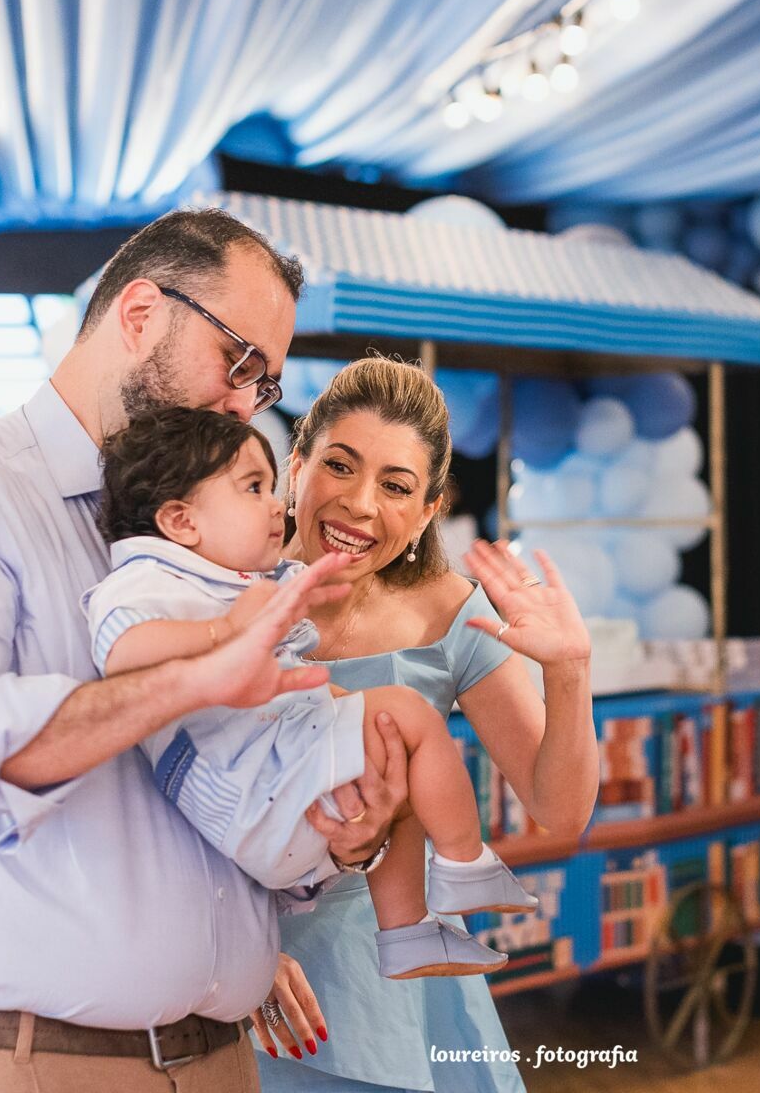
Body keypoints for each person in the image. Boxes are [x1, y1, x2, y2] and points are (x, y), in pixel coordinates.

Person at [0, 208, 406, 1093]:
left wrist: (339, 841)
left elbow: (214, 805)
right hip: (29, 1063)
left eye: (263, 387)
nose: (242, 403)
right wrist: (188, 676)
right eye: (240, 364)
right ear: (140, 313)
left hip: (219, 1057)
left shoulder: (214, 536)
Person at [84, 405, 537, 980]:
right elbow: (121, 650)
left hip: (266, 799)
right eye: (253, 488)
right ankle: (465, 863)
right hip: (243, 796)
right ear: (180, 520)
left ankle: (409, 931)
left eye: (272, 487)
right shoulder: (146, 580)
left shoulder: (228, 577)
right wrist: (227, 632)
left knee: (390, 745)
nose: (276, 505)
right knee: (403, 715)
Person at [251, 358, 600, 1091]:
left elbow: (559, 811)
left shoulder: (455, 613)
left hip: (395, 985)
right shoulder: (220, 590)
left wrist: (568, 674)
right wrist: (233, 950)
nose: (359, 503)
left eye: (396, 486)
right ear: (295, 465)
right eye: (339, 466)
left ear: (429, 508)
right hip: (236, 969)